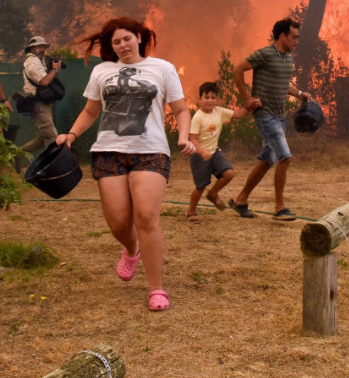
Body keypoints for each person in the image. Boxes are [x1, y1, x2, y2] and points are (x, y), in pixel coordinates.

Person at [54, 17, 194, 311]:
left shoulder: (163, 68)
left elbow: (181, 109)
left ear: (139, 38)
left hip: (150, 151)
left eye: (127, 38)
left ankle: (157, 289)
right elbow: (91, 111)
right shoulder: (102, 71)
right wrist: (71, 134)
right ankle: (132, 249)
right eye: (116, 42)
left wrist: (183, 137)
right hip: (108, 151)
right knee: (118, 222)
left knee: (145, 217)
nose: (122, 45)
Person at [229, 18, 312, 221]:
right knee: (285, 157)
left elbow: (284, 84)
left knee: (267, 160)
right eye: (294, 37)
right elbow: (237, 69)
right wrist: (246, 98)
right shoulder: (265, 54)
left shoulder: (288, 58)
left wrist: (300, 93)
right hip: (265, 115)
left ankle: (240, 200)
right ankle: (280, 207)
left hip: (279, 116)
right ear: (282, 36)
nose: (297, 41)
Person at [185, 81, 256, 223]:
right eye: (206, 97)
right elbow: (192, 139)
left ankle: (213, 193)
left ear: (217, 99)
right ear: (199, 100)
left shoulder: (219, 111)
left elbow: (238, 114)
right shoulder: (198, 117)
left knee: (229, 173)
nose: (210, 100)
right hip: (200, 156)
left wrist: (250, 107)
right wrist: (202, 152)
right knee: (200, 186)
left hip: (215, 152)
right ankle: (191, 211)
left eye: (213, 97)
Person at [19, 36, 61, 154]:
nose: (42, 49)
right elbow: (44, 81)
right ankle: (49, 167)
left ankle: (17, 154)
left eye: (44, 47)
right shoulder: (32, 62)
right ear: (32, 48)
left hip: (44, 103)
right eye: (39, 47)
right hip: (38, 103)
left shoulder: (39, 60)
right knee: (51, 138)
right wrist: (54, 70)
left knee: (42, 138)